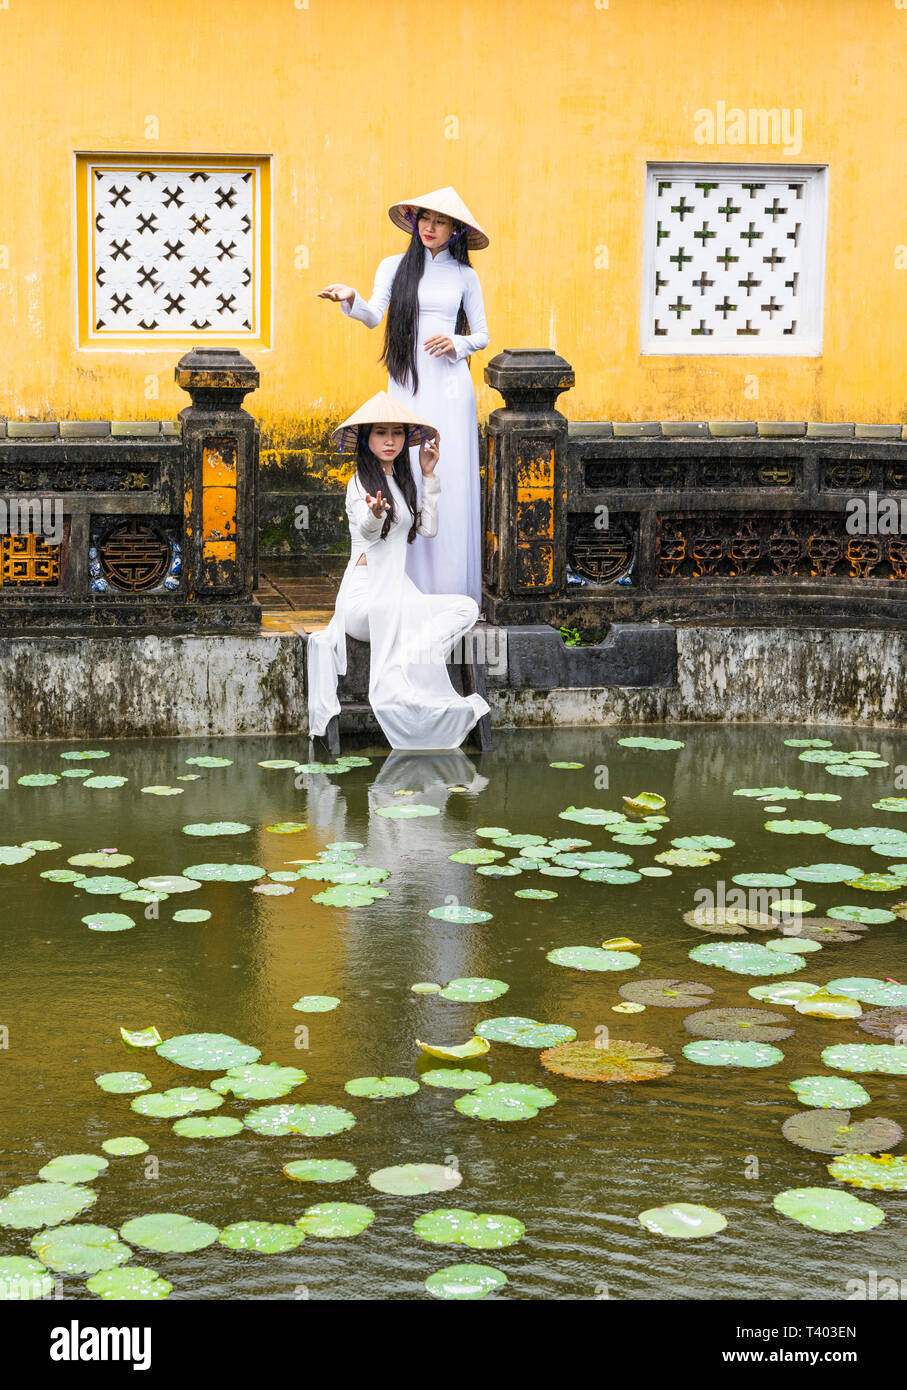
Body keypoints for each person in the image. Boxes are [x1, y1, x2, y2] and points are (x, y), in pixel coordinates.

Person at [318, 186, 489, 607]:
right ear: (414, 222)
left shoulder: (466, 276)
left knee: (443, 469)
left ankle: (450, 588)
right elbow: (374, 314)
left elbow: (482, 335)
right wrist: (350, 299)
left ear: (455, 230)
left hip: (450, 386)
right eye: (424, 219)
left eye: (441, 221)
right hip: (408, 384)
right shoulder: (394, 267)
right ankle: (405, 584)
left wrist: (457, 342)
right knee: (406, 465)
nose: (430, 227)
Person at [306, 391, 490, 752]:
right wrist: (374, 513)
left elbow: (427, 530)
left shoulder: (405, 483)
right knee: (396, 612)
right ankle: (401, 684)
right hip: (364, 599)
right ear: (366, 438)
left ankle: (409, 670)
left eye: (397, 432)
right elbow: (367, 531)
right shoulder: (359, 483)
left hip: (398, 593)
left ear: (407, 438)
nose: (389, 440)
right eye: (380, 432)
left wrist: (428, 475)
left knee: (466, 608)